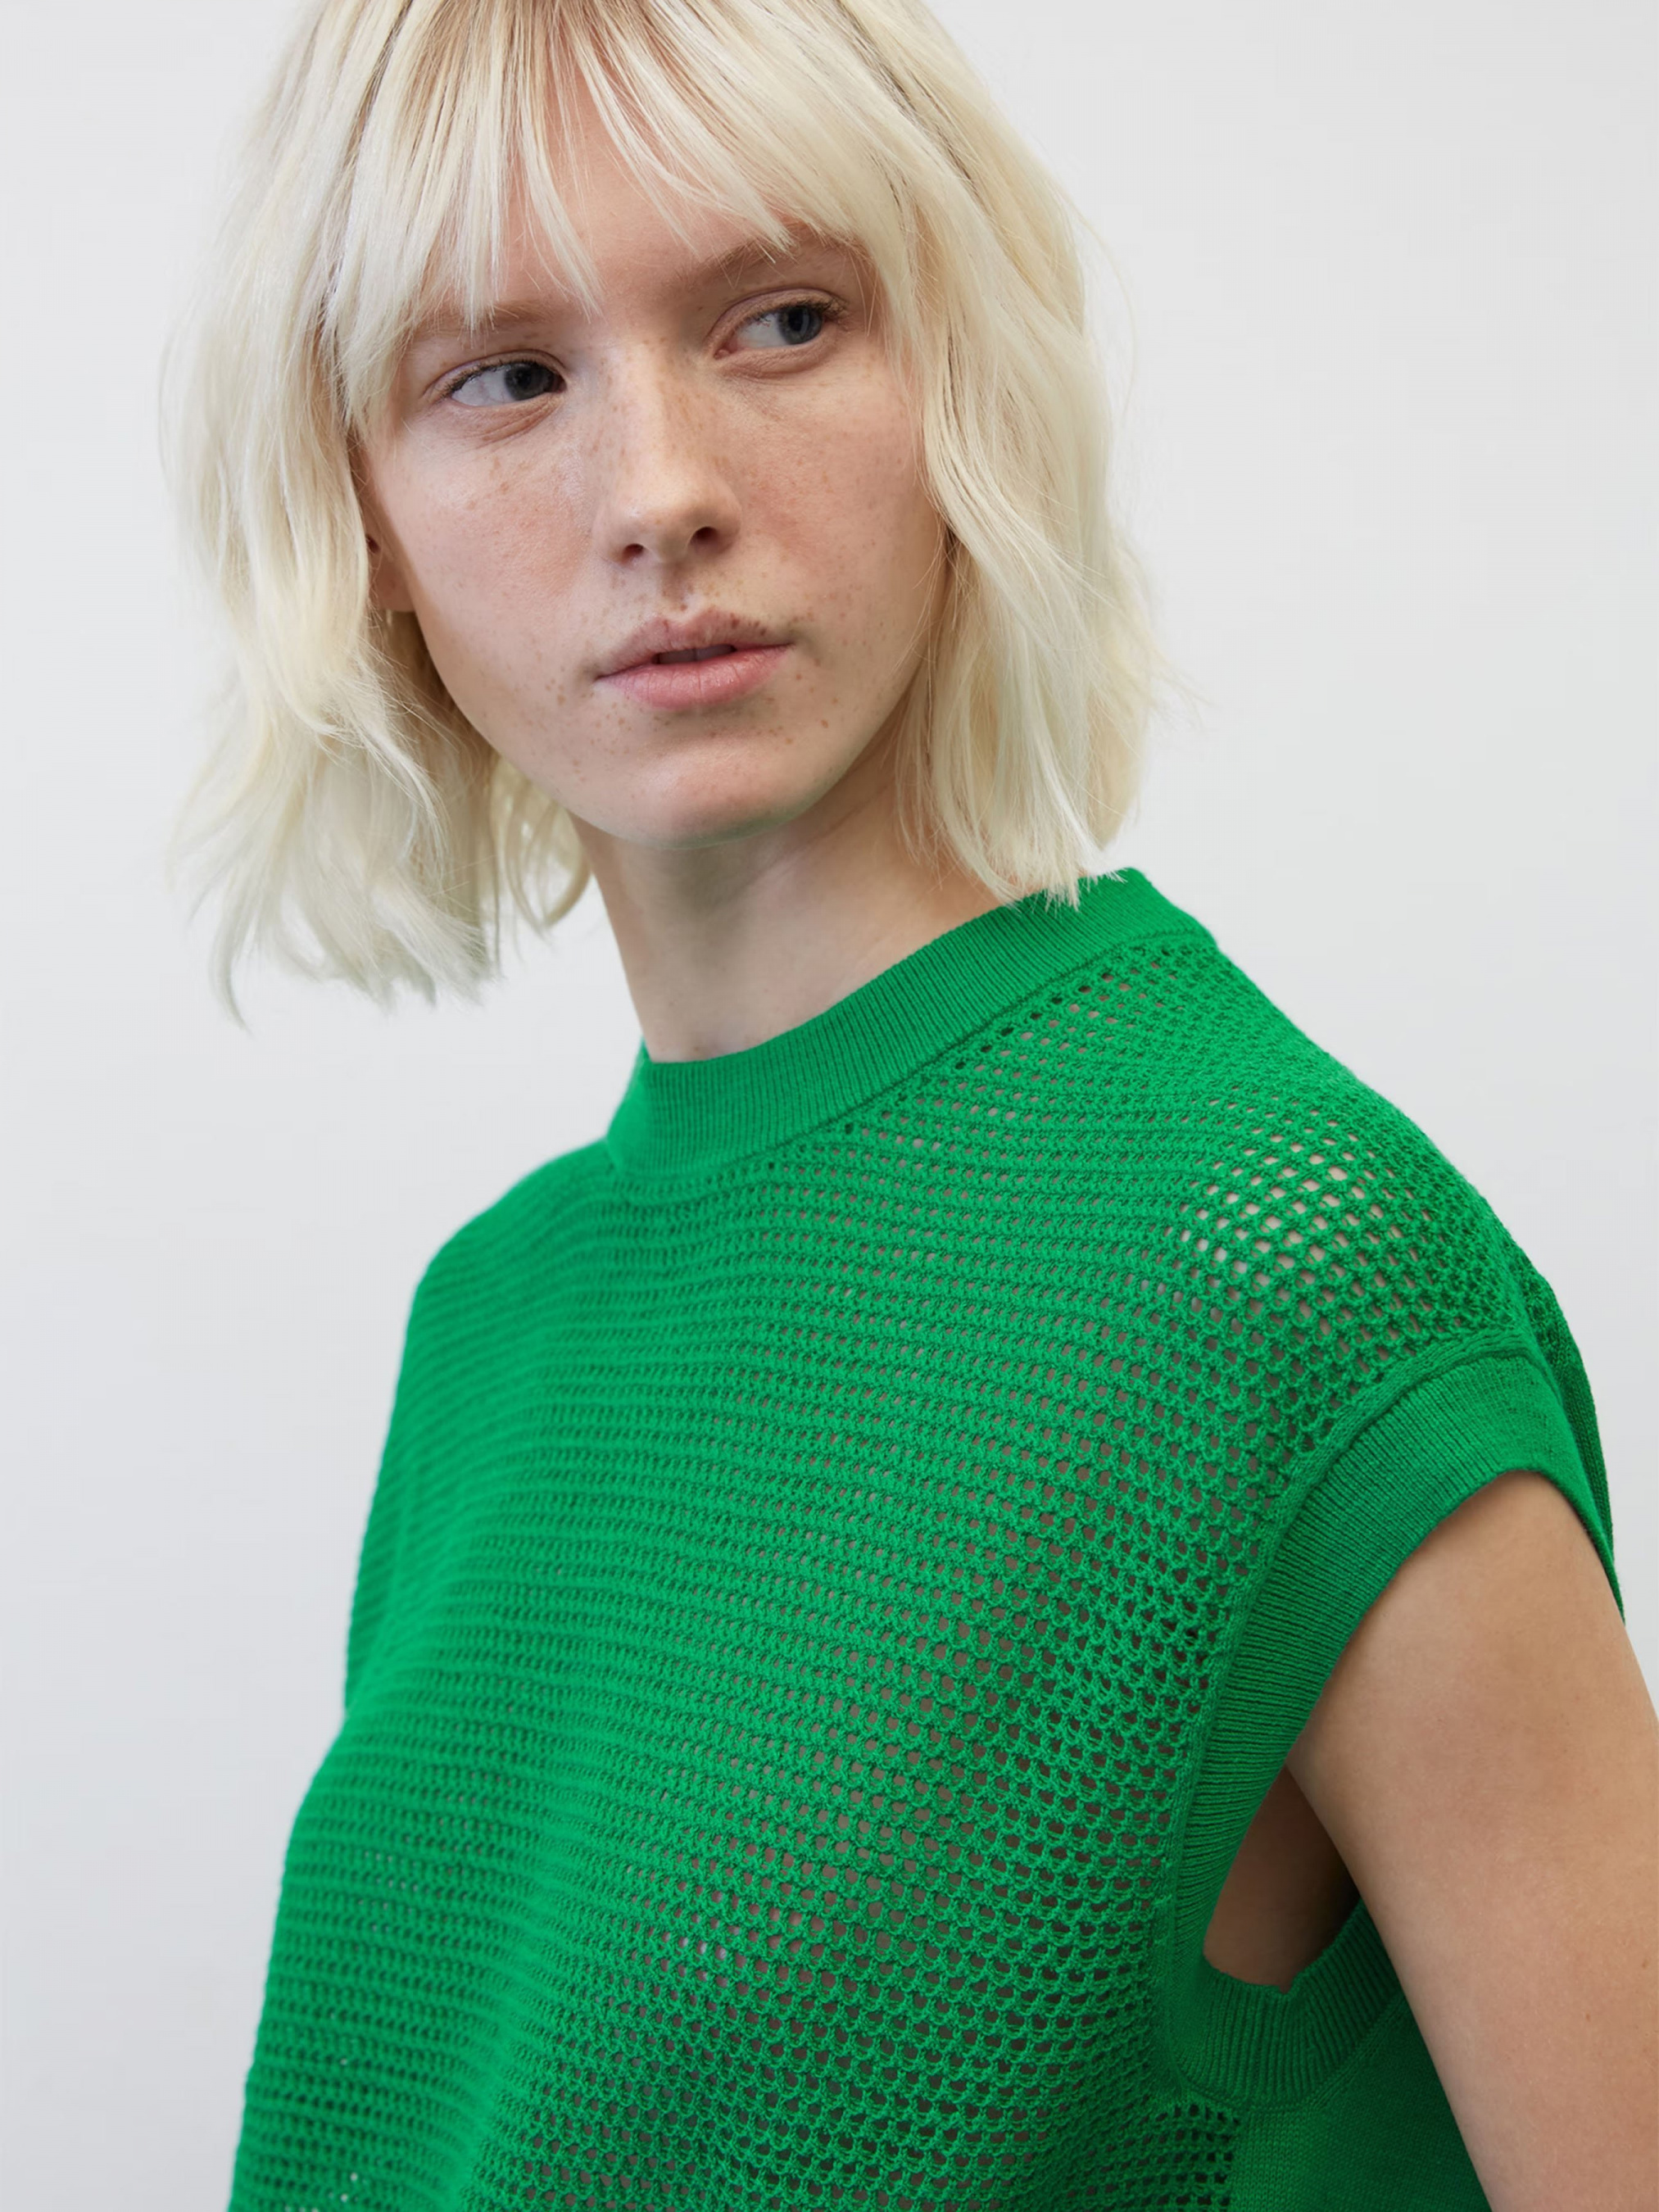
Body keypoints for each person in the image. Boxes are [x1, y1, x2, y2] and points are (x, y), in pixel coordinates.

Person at [167, 0, 1657, 2204]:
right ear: (360, 512)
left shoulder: (1273, 1263)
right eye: (504, 376)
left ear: (959, 382)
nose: (658, 493)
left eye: (781, 321)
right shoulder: (491, 1320)